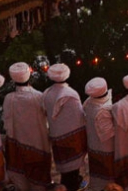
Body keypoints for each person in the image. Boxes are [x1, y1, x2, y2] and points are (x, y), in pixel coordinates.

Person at [3, 62, 52, 191]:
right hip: (39, 145)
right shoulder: (39, 96)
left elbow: (7, 123)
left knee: (21, 182)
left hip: (17, 146)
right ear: (29, 76)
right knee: (39, 183)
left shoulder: (9, 99)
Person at [42, 63, 87, 191]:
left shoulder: (47, 93)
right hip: (73, 142)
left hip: (57, 139)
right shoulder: (71, 94)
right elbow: (80, 118)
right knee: (72, 175)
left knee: (66, 174)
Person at [84, 77, 116, 191]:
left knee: (96, 175)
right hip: (105, 148)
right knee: (107, 179)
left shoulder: (88, 102)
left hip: (93, 144)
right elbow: (108, 135)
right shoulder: (103, 110)